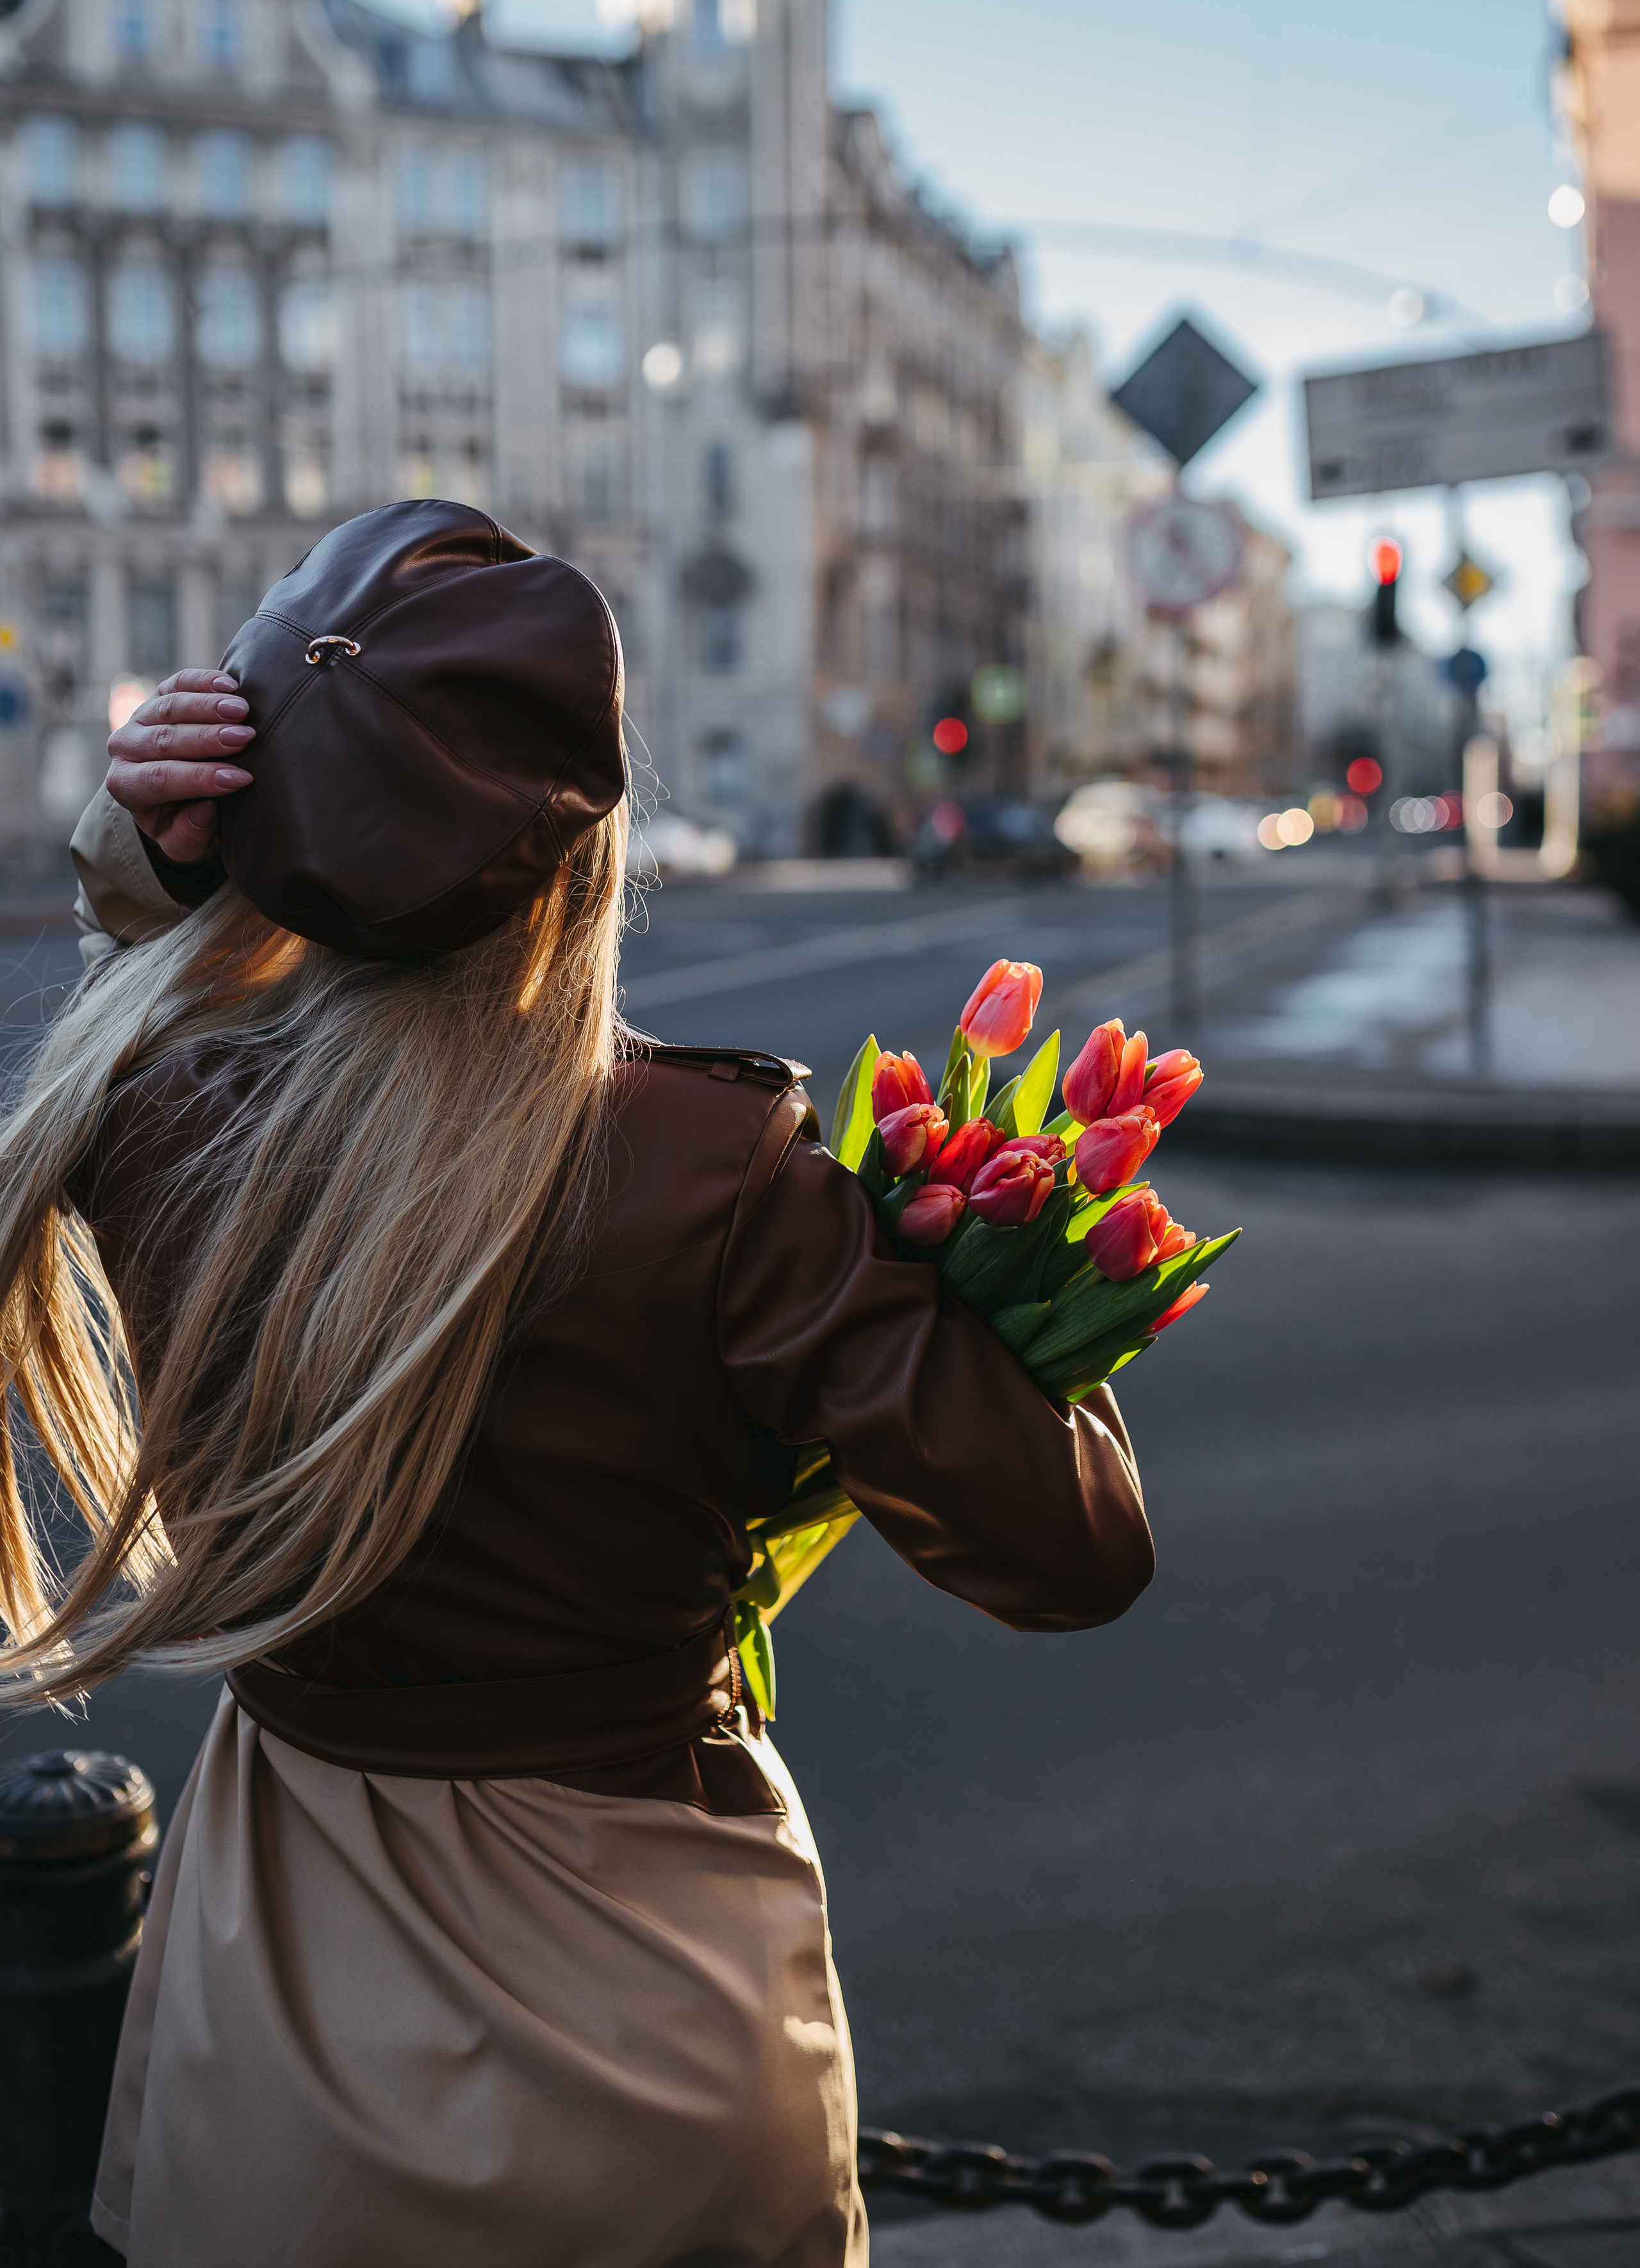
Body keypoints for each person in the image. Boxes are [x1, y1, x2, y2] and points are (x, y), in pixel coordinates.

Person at [1, 502, 1154, 2267]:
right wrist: (1018, 1280)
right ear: (583, 850)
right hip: (648, 2008)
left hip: (278, 1980)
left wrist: (145, 865)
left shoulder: (142, 1118)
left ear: (269, 822)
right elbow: (1072, 1557)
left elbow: (139, 973)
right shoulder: (723, 1178)